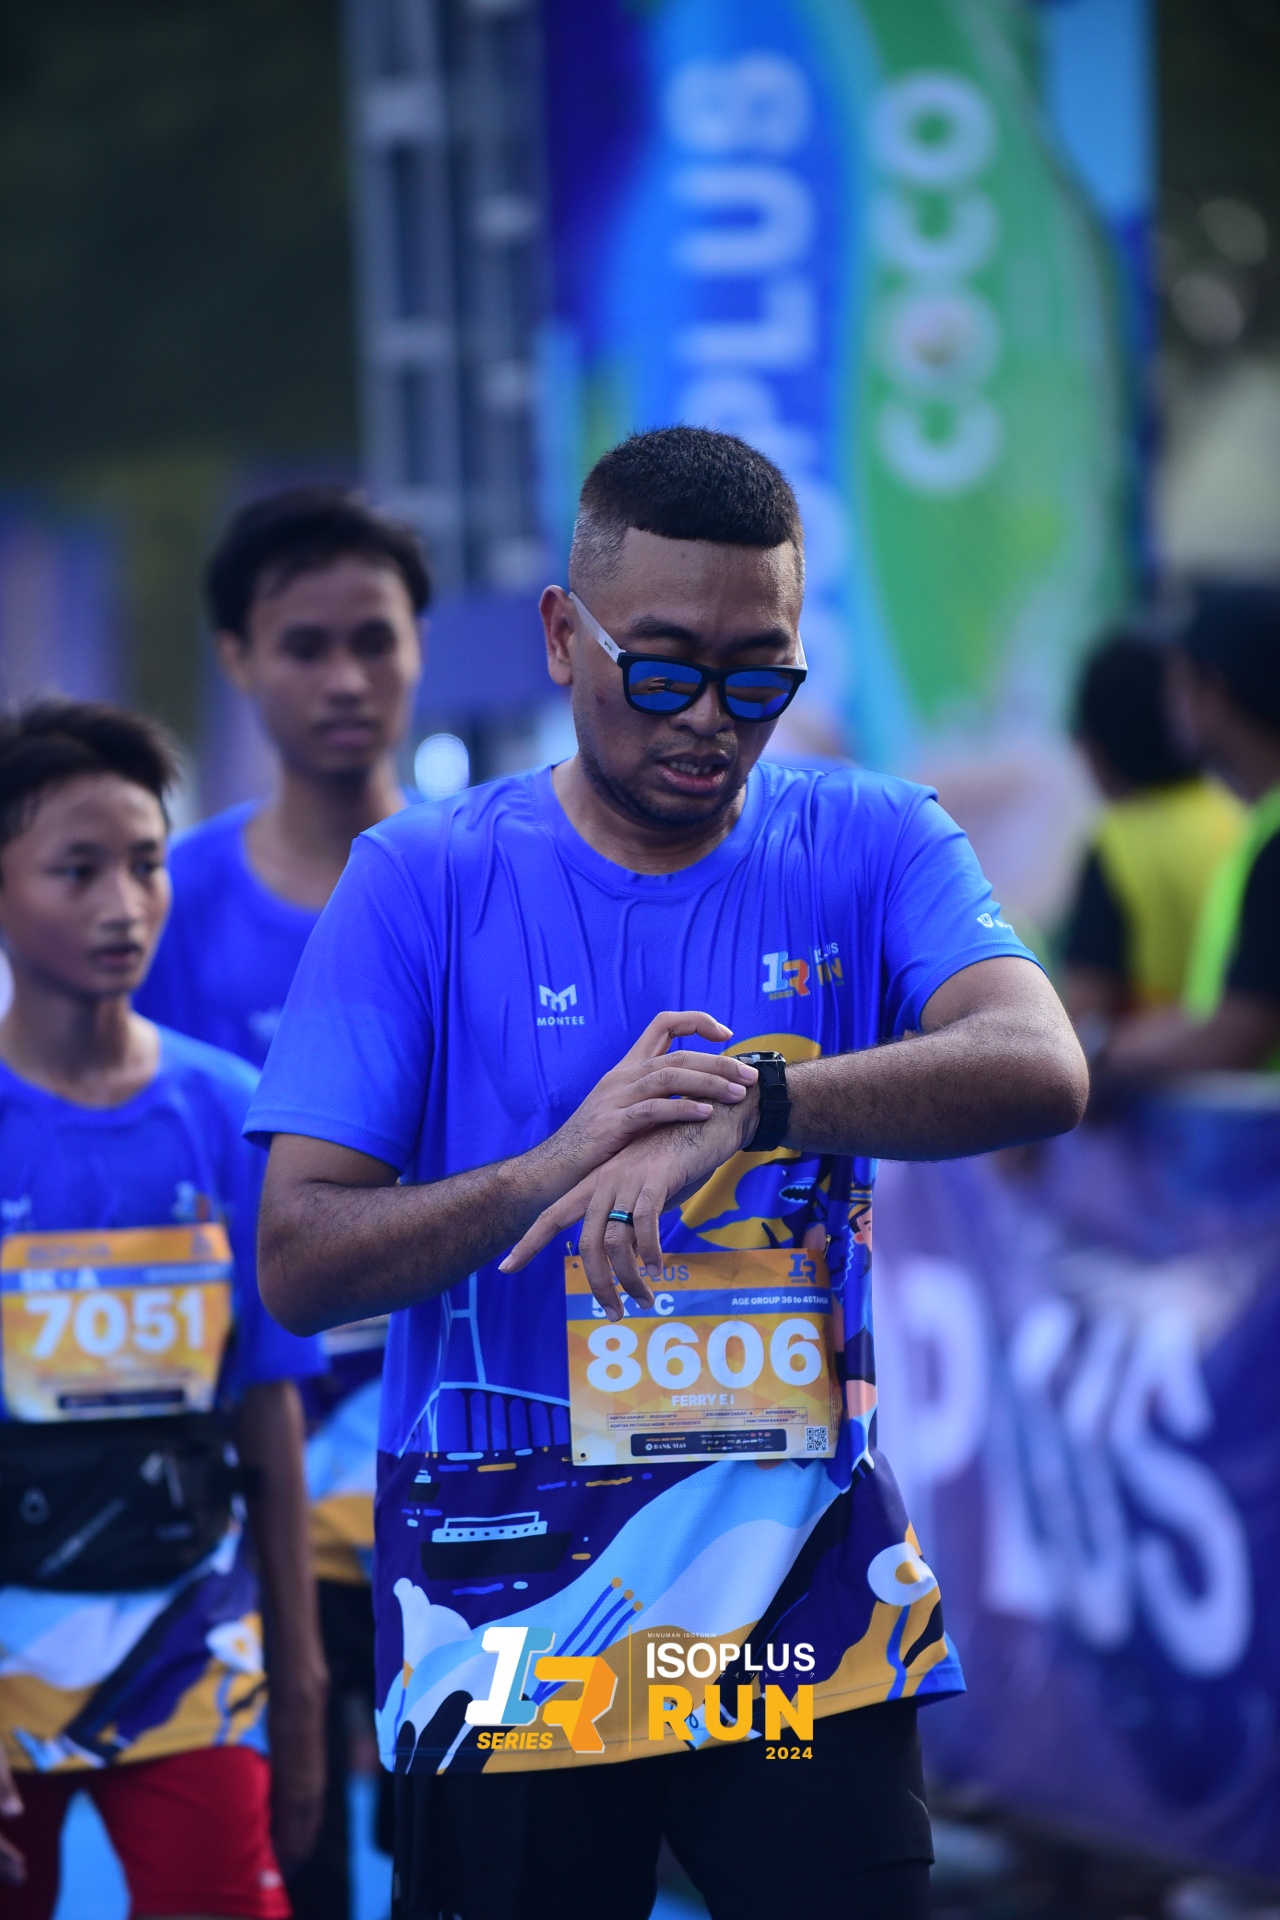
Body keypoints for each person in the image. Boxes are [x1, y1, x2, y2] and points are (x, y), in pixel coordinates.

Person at [245, 427, 1088, 1920]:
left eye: (759, 678)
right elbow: (301, 1262)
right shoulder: (421, 878)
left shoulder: (873, 836)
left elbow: (1042, 1064)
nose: (709, 719)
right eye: (664, 670)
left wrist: (763, 1107)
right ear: (563, 636)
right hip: (506, 1616)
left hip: (797, 1612)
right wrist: (556, 1165)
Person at [136, 486, 428, 1914]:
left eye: (375, 639)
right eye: (305, 645)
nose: (346, 679)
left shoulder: (485, 877)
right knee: (290, 1860)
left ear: (420, 647)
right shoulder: (165, 908)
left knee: (475, 1865)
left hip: (465, 1472)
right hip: (256, 1486)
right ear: (237, 658)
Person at [0, 700, 325, 1919]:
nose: (124, 904)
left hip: (191, 1650)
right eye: (76, 869)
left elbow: (266, 1411)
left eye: (144, 864)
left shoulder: (231, 1112)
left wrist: (299, 1678)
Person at [1107, 584, 1280, 1074]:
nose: (1167, 703)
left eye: (1177, 682)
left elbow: (1235, 1033)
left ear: (1212, 693)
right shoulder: (1259, 825)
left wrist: (1096, 1056)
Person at [1061, 628, 1242, 1033]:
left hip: (1157, 1067)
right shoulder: (1237, 813)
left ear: (1096, 744)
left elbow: (1083, 1015)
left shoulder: (1119, 845)